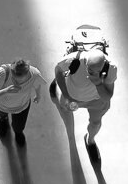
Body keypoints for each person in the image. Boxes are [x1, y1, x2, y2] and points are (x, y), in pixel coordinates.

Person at [50, 26, 118, 167]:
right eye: (90, 70)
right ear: (85, 62)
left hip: (97, 101)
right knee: (63, 105)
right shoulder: (73, 60)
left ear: (104, 65)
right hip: (73, 98)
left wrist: (99, 83)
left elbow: (107, 97)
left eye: (97, 71)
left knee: (96, 124)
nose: (92, 73)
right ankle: (57, 90)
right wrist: (67, 94)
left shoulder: (111, 67)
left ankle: (90, 140)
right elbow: (58, 70)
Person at [0, 57, 50, 145]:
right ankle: (3, 119)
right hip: (1, 105)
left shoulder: (34, 73)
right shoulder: (2, 73)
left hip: (22, 106)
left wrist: (38, 95)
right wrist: (6, 90)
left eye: (19, 79)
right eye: (14, 78)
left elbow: (37, 85)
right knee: (3, 114)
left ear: (28, 73)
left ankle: (18, 132)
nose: (16, 82)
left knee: (19, 126)